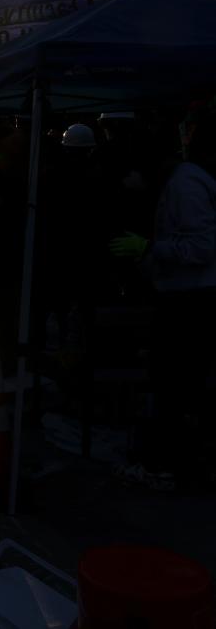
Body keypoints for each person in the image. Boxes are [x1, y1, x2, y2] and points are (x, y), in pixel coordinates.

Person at [111, 108, 216, 488]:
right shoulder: (185, 181)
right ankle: (179, 462)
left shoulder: (186, 185)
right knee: (179, 385)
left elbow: (202, 248)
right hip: (185, 297)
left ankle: (171, 466)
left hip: (191, 300)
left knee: (177, 386)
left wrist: (151, 248)